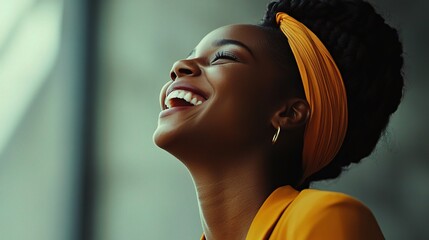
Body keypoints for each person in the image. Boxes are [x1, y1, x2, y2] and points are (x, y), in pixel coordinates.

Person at [153, 0, 403, 239]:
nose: (179, 66)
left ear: (289, 114)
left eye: (224, 57)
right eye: (190, 55)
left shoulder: (324, 218)